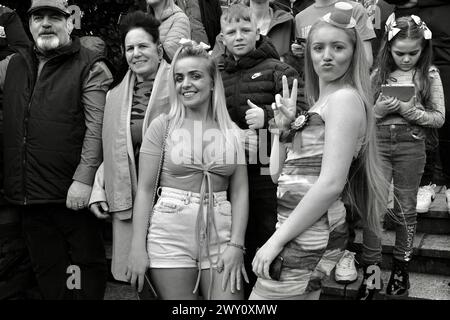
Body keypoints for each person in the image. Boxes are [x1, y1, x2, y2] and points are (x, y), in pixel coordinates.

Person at [250, 2, 387, 300]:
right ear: (308, 53)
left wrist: (275, 241)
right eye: (318, 48)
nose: (326, 56)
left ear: (353, 54)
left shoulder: (344, 100)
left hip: (311, 229)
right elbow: (276, 175)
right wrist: (281, 131)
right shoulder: (318, 104)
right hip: (300, 224)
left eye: (337, 47)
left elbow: (330, 183)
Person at [0, 0, 114, 299]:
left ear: (69, 22)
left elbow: (98, 128)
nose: (46, 23)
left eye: (54, 17)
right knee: (49, 272)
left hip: (70, 196)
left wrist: (84, 179)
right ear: (29, 24)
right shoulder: (13, 64)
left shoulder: (90, 65)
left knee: (80, 271)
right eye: (39, 17)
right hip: (28, 196)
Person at [126, 40, 249, 300]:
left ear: (213, 81)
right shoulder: (163, 126)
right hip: (170, 232)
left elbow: (239, 193)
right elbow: (146, 190)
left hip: (221, 233)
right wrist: (136, 247)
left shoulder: (233, 132)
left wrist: (237, 244)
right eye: (179, 78)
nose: (186, 84)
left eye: (195, 76)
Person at [218, 3, 306, 297]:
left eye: (246, 30)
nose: (239, 36)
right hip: (229, 176)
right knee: (235, 246)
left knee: (269, 244)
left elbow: (304, 117)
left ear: (258, 32)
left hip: (269, 177)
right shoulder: (216, 73)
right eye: (232, 31)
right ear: (222, 37)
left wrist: (268, 118)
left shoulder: (280, 70)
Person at [357, 14, 445, 299]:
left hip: (412, 145)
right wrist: (379, 111)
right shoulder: (377, 75)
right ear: (388, 48)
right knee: (374, 210)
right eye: (399, 53)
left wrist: (411, 112)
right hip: (378, 145)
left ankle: (400, 270)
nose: (406, 59)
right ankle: (371, 271)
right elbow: (360, 116)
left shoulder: (429, 74)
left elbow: (439, 118)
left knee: (406, 210)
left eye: (413, 53)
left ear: (423, 49)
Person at [88, 11, 170, 283]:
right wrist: (99, 188)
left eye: (143, 46)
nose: (136, 53)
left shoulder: (182, 84)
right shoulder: (114, 96)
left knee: (173, 280)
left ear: (159, 49)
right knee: (140, 282)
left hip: (172, 202)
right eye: (130, 48)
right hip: (130, 199)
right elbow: (112, 151)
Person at [384, 0, 450, 214]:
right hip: (408, 27)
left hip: (443, 36)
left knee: (443, 115)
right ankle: (424, 183)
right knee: (409, 114)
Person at [292, 0, 376, 66]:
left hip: (348, 83)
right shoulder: (300, 18)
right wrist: (300, 52)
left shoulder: (355, 9)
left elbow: (367, 61)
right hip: (313, 83)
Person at [212, 0, 295, 59]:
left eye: (246, 30)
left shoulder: (287, 21)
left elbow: (298, 60)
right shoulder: (231, 20)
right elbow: (216, 64)